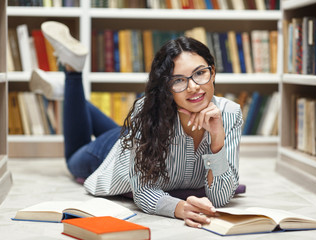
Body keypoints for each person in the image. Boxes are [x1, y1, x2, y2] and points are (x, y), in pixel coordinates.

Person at [31, 21, 243, 228]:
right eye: (178, 80)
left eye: (200, 73)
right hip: (115, 152)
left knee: (126, 130)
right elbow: (143, 192)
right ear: (166, 87)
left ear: (212, 72)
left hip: (138, 136)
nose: (193, 87)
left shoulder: (230, 114)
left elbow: (221, 197)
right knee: (73, 158)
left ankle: (67, 94)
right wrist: (179, 208)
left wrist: (217, 139)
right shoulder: (147, 110)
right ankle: (73, 73)